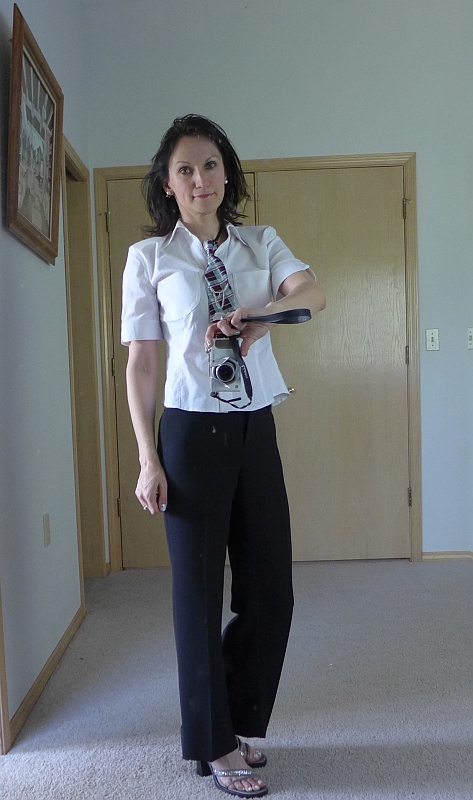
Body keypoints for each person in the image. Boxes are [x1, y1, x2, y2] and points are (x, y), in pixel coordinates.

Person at [121, 114, 326, 797]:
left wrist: (262, 317)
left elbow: (312, 294)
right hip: (188, 434)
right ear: (167, 183)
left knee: (271, 591)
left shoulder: (260, 243)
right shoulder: (150, 258)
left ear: (226, 173)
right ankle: (213, 745)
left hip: (253, 427)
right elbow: (141, 364)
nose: (200, 179)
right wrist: (148, 458)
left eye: (210, 164)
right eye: (185, 169)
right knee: (197, 596)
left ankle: (234, 720)